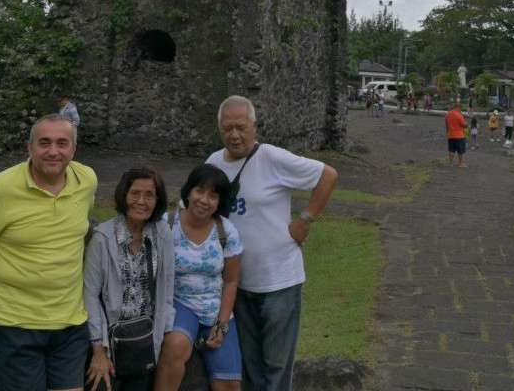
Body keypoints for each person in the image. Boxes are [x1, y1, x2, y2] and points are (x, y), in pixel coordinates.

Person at [0, 114, 97, 391]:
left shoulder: (86, 180)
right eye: (44, 143)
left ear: (73, 149)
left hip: (70, 324)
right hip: (12, 324)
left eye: (62, 143)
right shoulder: (0, 189)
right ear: (29, 148)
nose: (53, 151)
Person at [206, 95, 338, 391]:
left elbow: (327, 176)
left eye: (241, 127)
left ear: (254, 127)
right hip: (236, 285)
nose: (235, 134)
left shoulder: (272, 157)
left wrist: (304, 219)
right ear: (219, 129)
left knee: (277, 368)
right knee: (249, 364)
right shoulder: (214, 163)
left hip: (278, 281)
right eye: (228, 128)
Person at [84, 167, 175, 391]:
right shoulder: (103, 238)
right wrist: (99, 350)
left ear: (158, 200)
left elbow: (166, 289)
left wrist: (159, 342)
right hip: (109, 341)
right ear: (124, 195)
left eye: (149, 195)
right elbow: (90, 294)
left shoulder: (162, 234)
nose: (141, 201)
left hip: (142, 341)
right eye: (135, 193)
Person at [154, 164, 242, 391]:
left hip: (215, 307)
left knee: (229, 383)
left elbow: (231, 280)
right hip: (179, 301)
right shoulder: (166, 224)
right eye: (199, 191)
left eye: (213, 196)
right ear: (189, 192)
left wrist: (221, 324)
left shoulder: (227, 231)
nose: (204, 200)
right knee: (175, 346)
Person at [445, 103, 467, 167]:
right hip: (458, 135)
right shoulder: (459, 115)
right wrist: (466, 124)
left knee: (451, 149)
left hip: (450, 135)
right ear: (458, 107)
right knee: (460, 150)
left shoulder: (447, 114)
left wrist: (447, 133)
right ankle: (461, 163)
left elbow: (446, 126)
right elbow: (463, 124)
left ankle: (451, 163)